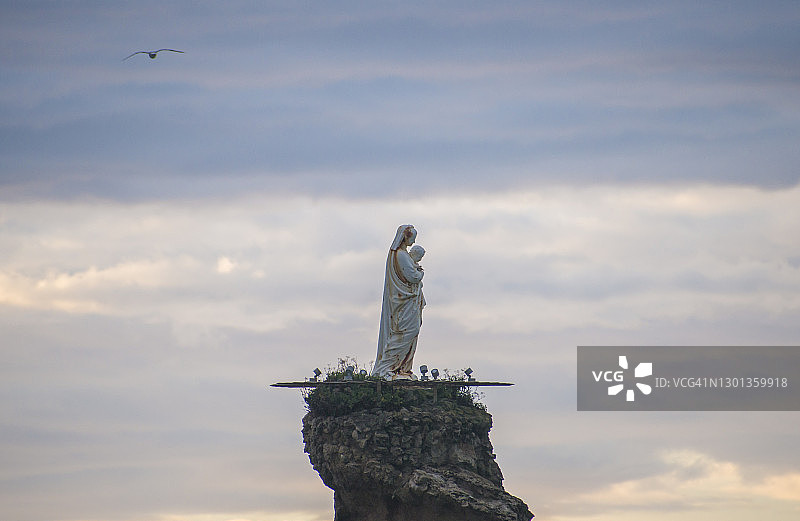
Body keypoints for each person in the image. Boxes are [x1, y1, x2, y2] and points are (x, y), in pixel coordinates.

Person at [371, 225, 425, 380]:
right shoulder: (400, 255)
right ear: (405, 237)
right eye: (412, 237)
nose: (414, 241)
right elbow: (413, 277)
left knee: (409, 331)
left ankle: (401, 368)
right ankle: (388, 367)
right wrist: (420, 273)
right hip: (403, 303)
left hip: (408, 301)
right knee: (404, 332)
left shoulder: (404, 255)